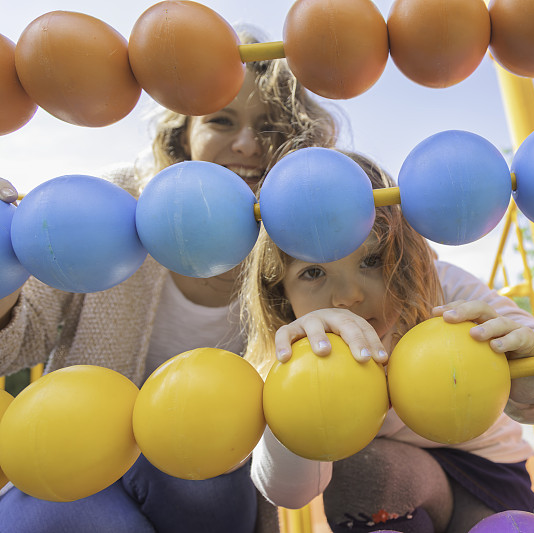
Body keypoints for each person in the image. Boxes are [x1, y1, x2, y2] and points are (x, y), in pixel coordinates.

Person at [0, 27, 336, 533]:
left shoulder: (308, 247)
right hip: (73, 457)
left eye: (269, 127)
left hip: (210, 473)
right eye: (222, 120)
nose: (246, 144)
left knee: (200, 485)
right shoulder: (112, 209)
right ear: (182, 136)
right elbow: (13, 350)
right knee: (62, 513)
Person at [241, 152, 534, 533]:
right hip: (389, 486)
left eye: (371, 260)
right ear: (282, 294)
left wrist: (532, 382)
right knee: (362, 471)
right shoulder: (289, 353)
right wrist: (293, 404)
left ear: (405, 256)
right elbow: (289, 493)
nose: (347, 296)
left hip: (486, 473)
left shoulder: (444, 290)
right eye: (313, 272)